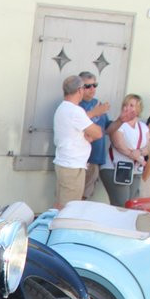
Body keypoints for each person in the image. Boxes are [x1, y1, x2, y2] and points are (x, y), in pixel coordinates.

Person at [53, 74, 103, 208]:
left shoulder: (62, 108)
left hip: (64, 162)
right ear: (80, 90)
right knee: (69, 207)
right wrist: (95, 115)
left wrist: (87, 134)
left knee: (60, 204)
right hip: (73, 166)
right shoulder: (75, 111)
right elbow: (97, 133)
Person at [101, 94, 150, 206]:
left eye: (131, 105)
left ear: (139, 109)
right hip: (117, 168)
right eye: (125, 105)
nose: (127, 108)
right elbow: (119, 145)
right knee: (121, 204)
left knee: (132, 204)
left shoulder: (143, 127)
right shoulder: (118, 124)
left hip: (135, 169)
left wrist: (141, 152)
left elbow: (148, 146)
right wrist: (139, 158)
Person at [77, 72, 117, 200]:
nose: (92, 89)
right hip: (80, 159)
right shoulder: (76, 105)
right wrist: (95, 113)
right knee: (75, 197)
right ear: (80, 88)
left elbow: (107, 129)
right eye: (88, 86)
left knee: (85, 196)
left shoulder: (97, 103)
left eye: (95, 85)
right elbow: (77, 125)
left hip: (95, 157)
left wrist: (122, 120)